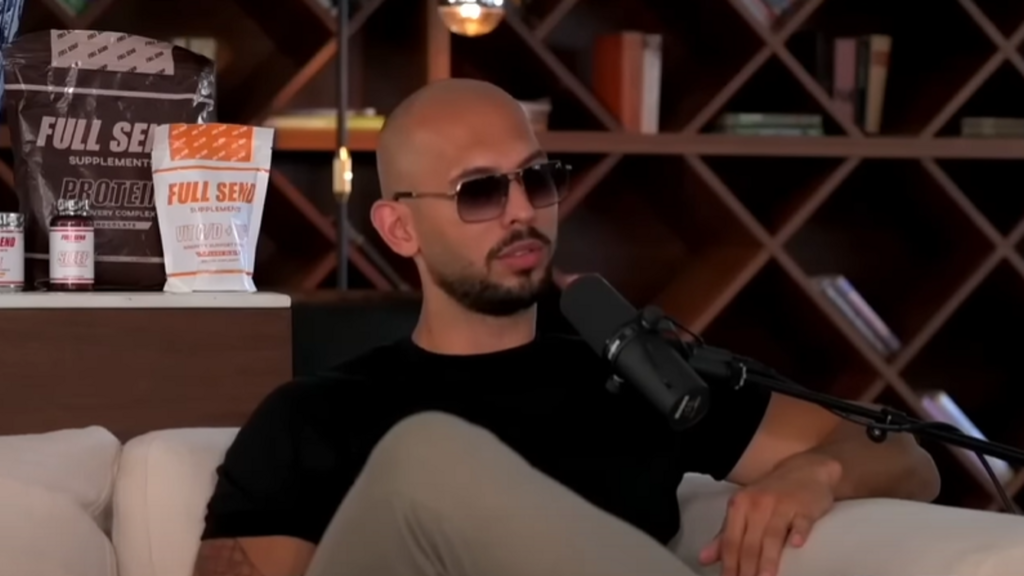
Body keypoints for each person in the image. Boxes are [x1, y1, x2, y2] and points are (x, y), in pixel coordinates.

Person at [193, 79, 940, 576]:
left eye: (538, 178)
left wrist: (816, 474)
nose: (522, 211)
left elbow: (909, 459)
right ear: (399, 228)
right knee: (426, 454)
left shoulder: (640, 378)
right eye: (480, 192)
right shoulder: (313, 418)